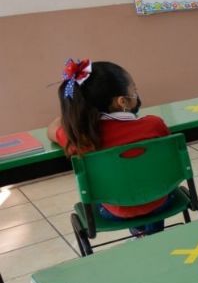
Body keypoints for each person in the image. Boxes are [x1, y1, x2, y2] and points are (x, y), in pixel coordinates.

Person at [46, 59, 174, 236]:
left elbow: (51, 130)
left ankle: (141, 233)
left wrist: (75, 112)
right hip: (161, 200)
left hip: (115, 212)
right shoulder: (153, 125)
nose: (136, 94)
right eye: (134, 91)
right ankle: (151, 234)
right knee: (148, 181)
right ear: (122, 101)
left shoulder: (80, 139)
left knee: (110, 192)